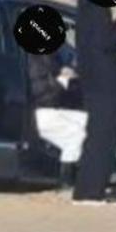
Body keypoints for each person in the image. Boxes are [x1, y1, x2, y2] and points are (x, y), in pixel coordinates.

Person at [72, 0, 116, 204]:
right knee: (102, 137)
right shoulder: (96, 7)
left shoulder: (86, 5)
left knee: (98, 136)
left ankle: (88, 190)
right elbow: (104, 41)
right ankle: (91, 192)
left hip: (94, 80)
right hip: (103, 82)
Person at [28, 50, 84, 187]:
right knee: (76, 134)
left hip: (51, 108)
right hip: (37, 112)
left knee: (88, 120)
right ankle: (67, 180)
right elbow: (42, 94)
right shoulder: (34, 59)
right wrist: (64, 78)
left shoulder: (49, 55)